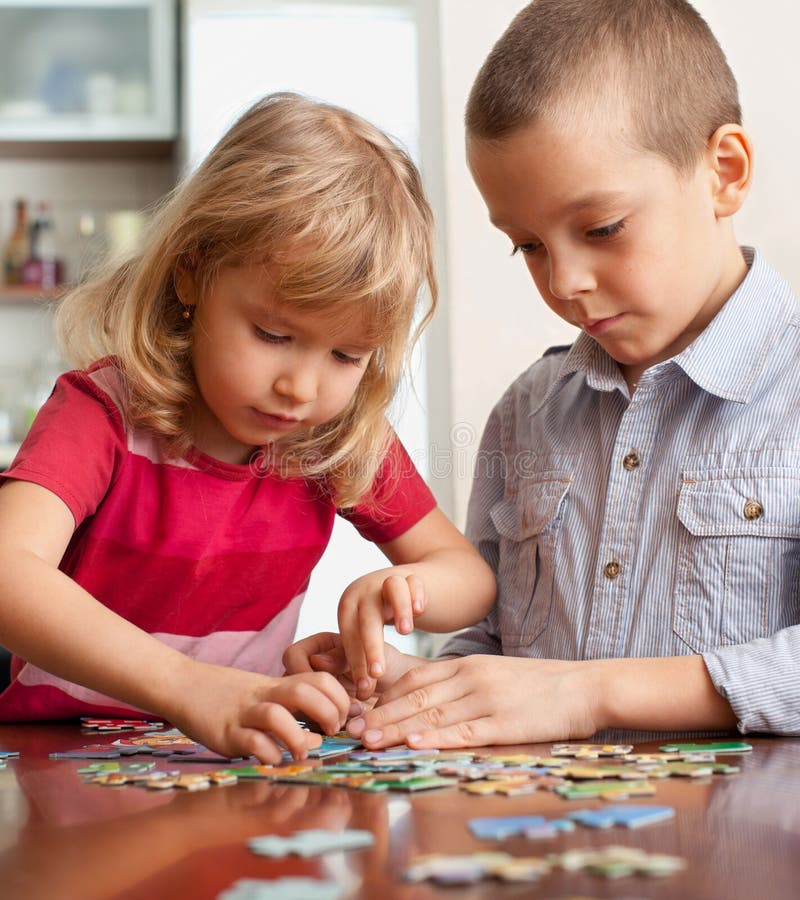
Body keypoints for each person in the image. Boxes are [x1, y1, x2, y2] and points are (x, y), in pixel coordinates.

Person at [287, 0, 800, 748]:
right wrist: (404, 685)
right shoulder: (528, 410)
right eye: (527, 245)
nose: (563, 282)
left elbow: (562, 694)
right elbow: (499, 652)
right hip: (550, 824)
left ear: (724, 173)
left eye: (601, 229)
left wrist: (589, 694)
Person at [0, 93, 496, 762]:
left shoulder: (334, 440)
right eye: (273, 334)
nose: (301, 388)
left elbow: (470, 580)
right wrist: (188, 687)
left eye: (346, 356)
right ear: (191, 272)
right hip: (56, 760)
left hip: (233, 767)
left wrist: (408, 589)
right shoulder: (102, 413)